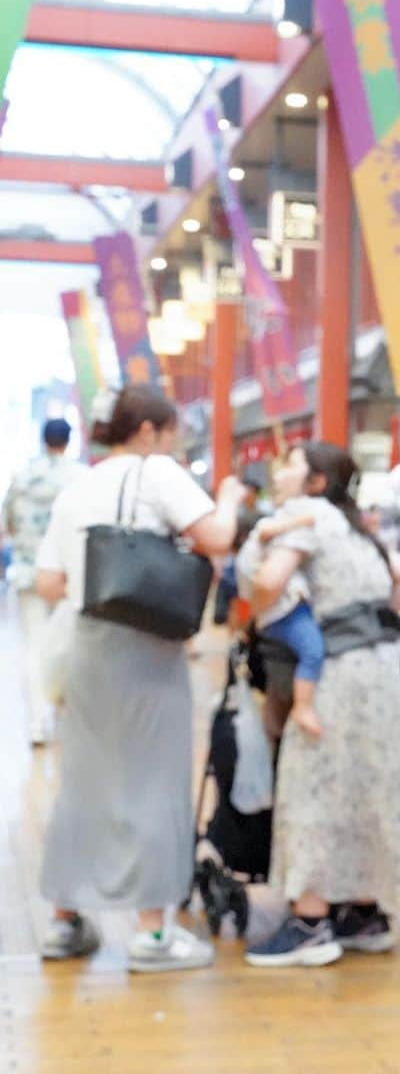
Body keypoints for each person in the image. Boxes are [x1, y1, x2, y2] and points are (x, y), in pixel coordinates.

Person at [34, 385, 244, 970]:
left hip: (85, 643)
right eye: (172, 433)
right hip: (144, 647)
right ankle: (153, 934)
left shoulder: (79, 485)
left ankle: (63, 922)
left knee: (84, 783)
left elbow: (50, 581)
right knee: (152, 779)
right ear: (150, 431)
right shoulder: (157, 472)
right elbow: (218, 538)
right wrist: (226, 497)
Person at [244, 442, 400, 967]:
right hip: (384, 668)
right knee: (367, 783)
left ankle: (310, 920)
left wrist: (260, 606)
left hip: (337, 670)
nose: (282, 470)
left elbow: (269, 582)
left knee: (313, 783)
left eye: (292, 463)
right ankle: (364, 912)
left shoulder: (305, 515)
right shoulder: (357, 524)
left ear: (315, 482)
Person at [2, 418, 85, 745]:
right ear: (68, 440)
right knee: (71, 643)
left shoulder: (22, 477)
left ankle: (38, 722)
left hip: (29, 572)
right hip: (69, 576)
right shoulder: (80, 478)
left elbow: (6, 524)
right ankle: (67, 713)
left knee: (35, 646)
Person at [237, 505, 325, 739]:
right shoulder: (263, 535)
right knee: (313, 651)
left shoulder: (248, 556)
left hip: (270, 623)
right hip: (283, 613)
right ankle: (303, 707)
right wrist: (303, 518)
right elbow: (267, 583)